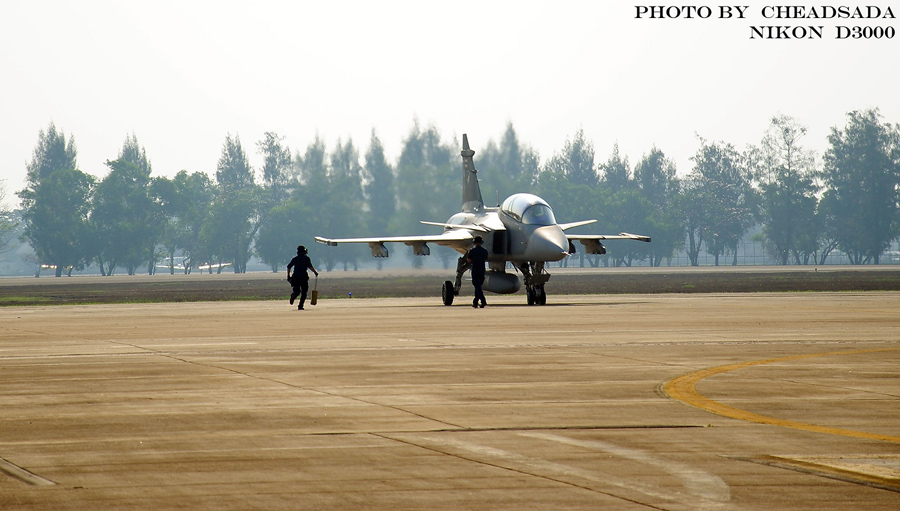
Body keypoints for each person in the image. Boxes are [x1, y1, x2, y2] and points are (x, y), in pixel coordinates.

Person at [287, 245, 318, 310]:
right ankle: (300, 306)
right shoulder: (306, 258)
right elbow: (310, 267)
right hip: (303, 277)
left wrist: (288, 276)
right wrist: (315, 272)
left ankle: (294, 295)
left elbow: (289, 267)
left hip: (295, 277)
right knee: (304, 293)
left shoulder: (295, 259)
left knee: (297, 291)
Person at [466, 236, 489, 308]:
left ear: (474, 242)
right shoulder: (484, 251)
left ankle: (483, 300)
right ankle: (475, 302)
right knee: (478, 286)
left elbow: (469, 260)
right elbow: (485, 259)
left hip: (475, 269)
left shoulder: (472, 251)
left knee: (477, 286)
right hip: (482, 269)